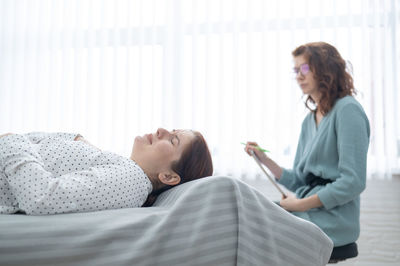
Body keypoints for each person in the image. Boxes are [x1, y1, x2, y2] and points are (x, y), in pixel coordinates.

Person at [244, 42, 370, 247]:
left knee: (258, 228)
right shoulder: (309, 121)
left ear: (326, 70)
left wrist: (299, 205)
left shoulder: (348, 110)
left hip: (334, 219)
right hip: (309, 210)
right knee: (248, 216)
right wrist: (265, 160)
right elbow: (301, 180)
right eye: (296, 70)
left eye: (305, 68)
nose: (299, 76)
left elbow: (352, 182)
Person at [0, 128, 213, 215]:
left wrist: (11, 141)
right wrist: (77, 139)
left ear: (168, 176)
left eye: (172, 139)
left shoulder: (131, 181)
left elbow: (41, 197)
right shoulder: (122, 169)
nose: (161, 130)